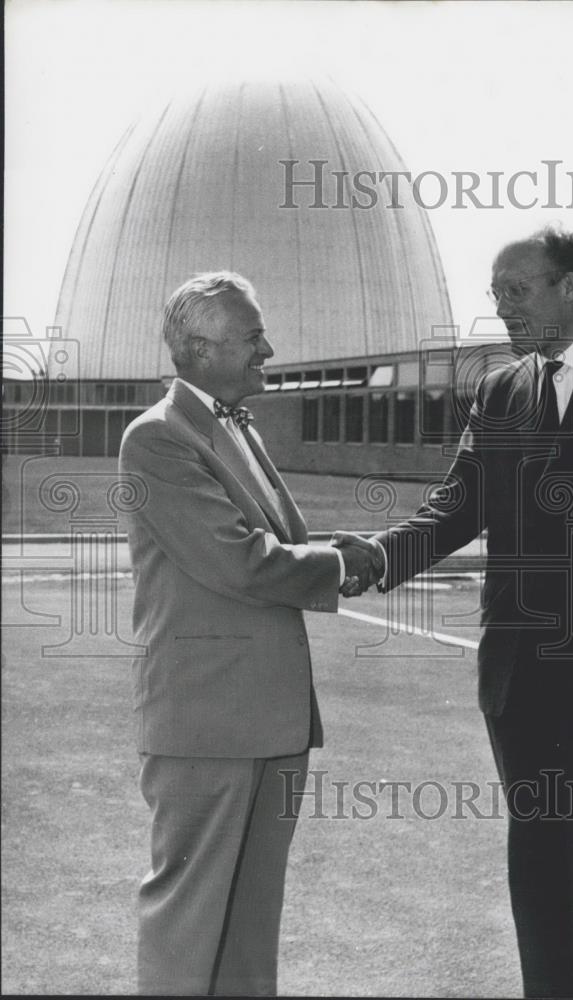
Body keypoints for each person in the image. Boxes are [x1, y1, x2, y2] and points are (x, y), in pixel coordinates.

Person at [335, 226, 573, 998]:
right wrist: (380, 555)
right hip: (517, 678)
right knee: (537, 861)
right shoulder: (500, 389)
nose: (503, 306)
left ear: (569, 287)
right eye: (496, 292)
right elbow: (460, 500)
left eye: (518, 289)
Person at [119, 272, 373, 996]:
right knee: (189, 922)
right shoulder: (157, 441)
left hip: (273, 719)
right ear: (200, 349)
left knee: (250, 928)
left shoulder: (239, 425)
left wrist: (328, 553)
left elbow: (273, 545)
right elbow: (238, 560)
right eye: (253, 335)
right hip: (205, 722)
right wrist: (341, 564)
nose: (270, 348)